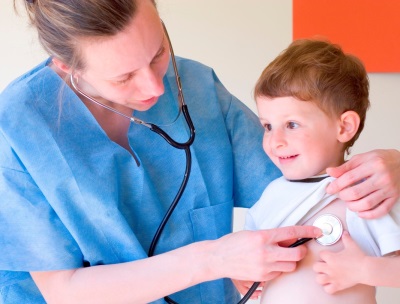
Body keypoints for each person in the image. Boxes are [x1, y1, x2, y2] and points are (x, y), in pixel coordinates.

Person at [0, 1, 398, 303]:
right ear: (65, 67)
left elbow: (306, 179)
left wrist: (394, 165)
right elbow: (64, 291)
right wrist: (215, 260)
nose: (155, 89)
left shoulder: (196, 85)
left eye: (157, 53)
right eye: (123, 77)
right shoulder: (19, 128)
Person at [240, 39, 400, 303]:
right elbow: (246, 255)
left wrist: (364, 270)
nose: (275, 140)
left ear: (344, 127)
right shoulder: (270, 195)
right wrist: (243, 275)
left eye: (292, 124)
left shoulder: (363, 193)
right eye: (268, 125)